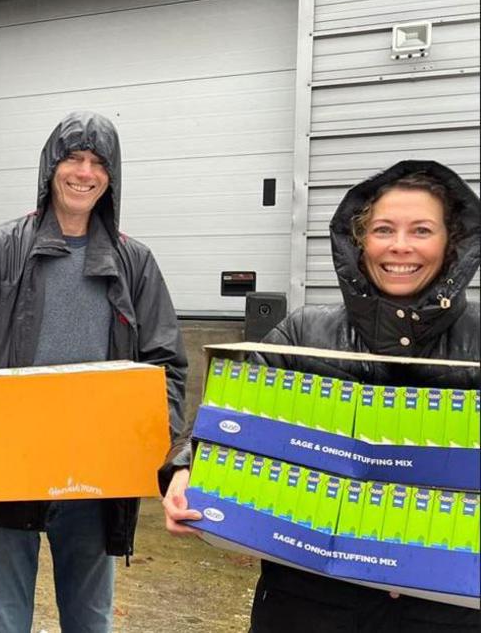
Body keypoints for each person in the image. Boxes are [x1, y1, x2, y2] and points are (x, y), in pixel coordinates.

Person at [161, 160, 480, 631]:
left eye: (421, 230)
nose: (400, 246)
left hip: (446, 606)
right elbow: (226, 414)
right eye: (383, 229)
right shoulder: (302, 332)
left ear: (450, 244)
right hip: (309, 596)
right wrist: (186, 467)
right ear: (359, 240)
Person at [0, 111, 188, 632]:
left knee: (90, 620)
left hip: (95, 478)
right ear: (51, 167)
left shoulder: (133, 262)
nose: (84, 172)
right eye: (73, 158)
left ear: (111, 177)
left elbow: (166, 367)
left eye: (97, 163)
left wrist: (143, 445)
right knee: (4, 621)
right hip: (8, 467)